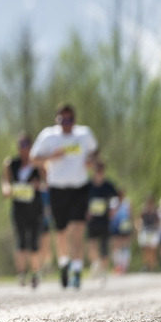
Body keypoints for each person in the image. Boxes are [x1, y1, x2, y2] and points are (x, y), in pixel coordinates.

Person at [30, 103, 98, 289]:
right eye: (63, 120)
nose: (66, 123)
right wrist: (51, 157)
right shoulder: (48, 136)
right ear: (57, 120)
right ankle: (64, 264)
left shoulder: (84, 134)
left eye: (70, 119)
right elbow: (33, 159)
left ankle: (77, 271)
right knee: (61, 231)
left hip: (79, 187)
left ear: (75, 120)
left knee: (77, 229)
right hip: (57, 189)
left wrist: (91, 161)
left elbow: (95, 151)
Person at [1, 133, 44, 288]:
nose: (23, 148)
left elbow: (46, 182)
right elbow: (5, 181)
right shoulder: (11, 163)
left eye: (26, 145)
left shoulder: (38, 164)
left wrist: (39, 185)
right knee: (20, 241)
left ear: (31, 147)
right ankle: (21, 274)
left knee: (34, 241)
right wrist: (6, 189)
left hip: (35, 208)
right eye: (21, 145)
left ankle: (35, 272)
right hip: (18, 208)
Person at [85, 162, 120, 283]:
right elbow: (81, 200)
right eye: (97, 170)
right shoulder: (88, 185)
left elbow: (115, 199)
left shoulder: (108, 186)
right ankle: (96, 263)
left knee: (105, 246)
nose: (99, 173)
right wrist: (85, 211)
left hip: (105, 220)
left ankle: (103, 271)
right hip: (92, 220)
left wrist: (113, 210)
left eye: (101, 170)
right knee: (91, 244)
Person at [109, 188, 133, 274]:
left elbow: (130, 215)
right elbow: (110, 215)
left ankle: (125, 266)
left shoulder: (127, 203)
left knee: (125, 245)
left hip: (125, 226)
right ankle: (118, 265)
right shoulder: (113, 203)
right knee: (116, 246)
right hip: (115, 226)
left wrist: (132, 227)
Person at [136, 195, 161, 272]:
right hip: (145, 231)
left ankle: (152, 266)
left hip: (153, 232)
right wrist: (138, 228)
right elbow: (139, 220)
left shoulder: (156, 210)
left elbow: (158, 221)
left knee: (152, 250)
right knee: (145, 249)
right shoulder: (143, 210)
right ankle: (146, 265)